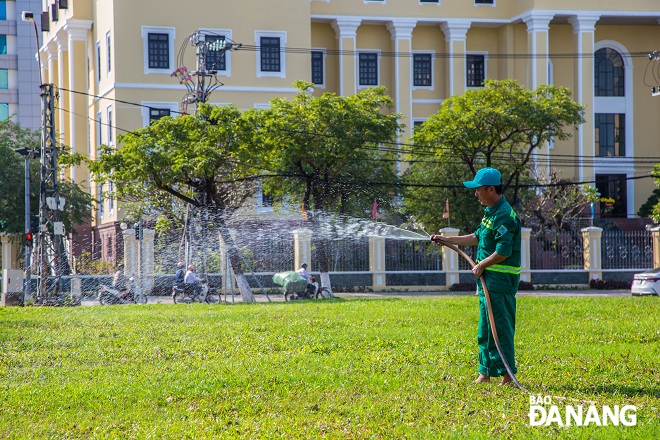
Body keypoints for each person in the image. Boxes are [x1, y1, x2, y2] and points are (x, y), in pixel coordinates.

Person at [431, 167, 521, 386]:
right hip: (487, 281)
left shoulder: (504, 215)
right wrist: (447, 239)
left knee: (499, 328)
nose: (476, 193)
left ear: (491, 189)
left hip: (500, 281)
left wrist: (481, 264)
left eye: (478, 189)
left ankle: (508, 376)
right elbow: (476, 237)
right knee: (485, 328)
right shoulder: (490, 212)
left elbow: (504, 251)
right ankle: (485, 372)